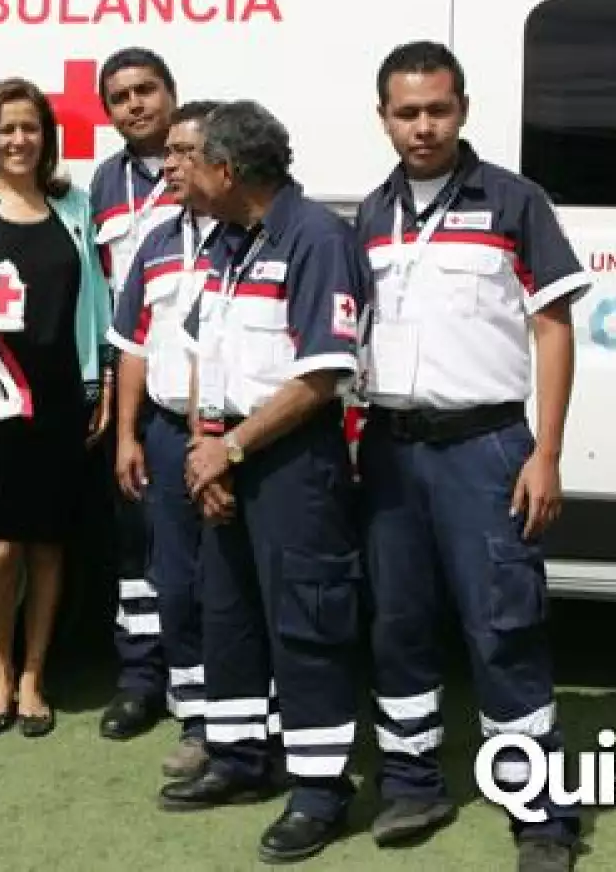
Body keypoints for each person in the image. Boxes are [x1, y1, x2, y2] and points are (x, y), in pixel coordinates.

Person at [353, 41, 589, 872]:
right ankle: (412, 783)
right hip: (390, 450)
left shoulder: (513, 201)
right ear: (383, 118)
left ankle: (540, 813)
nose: (423, 126)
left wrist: (546, 452)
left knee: (504, 626)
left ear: (463, 109)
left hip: (485, 449)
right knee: (397, 623)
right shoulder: (370, 214)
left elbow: (553, 327)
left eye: (438, 109)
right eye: (407, 112)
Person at [156, 100, 367, 865]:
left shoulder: (316, 238)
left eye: (192, 158)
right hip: (228, 454)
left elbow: (322, 374)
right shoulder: (225, 241)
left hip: (291, 462)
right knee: (229, 614)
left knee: (307, 624)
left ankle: (319, 791)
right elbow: (202, 353)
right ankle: (240, 759)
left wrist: (233, 449)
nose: (177, 170)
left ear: (227, 170)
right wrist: (204, 446)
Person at [0, 77, 114, 737]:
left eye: (30, 127)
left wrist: (102, 379)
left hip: (60, 394)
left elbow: (97, 301)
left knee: (47, 543)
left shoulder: (75, 206)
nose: (18, 139)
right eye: (6, 128)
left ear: (46, 136)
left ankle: (34, 675)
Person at [105, 99, 241, 780]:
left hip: (234, 438)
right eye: (170, 154)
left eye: (188, 152)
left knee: (234, 584)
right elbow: (132, 344)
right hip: (162, 432)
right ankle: (197, 719)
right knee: (177, 583)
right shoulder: (157, 242)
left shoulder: (250, 238)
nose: (173, 165)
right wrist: (127, 434)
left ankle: (248, 717)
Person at [87, 47, 186, 744]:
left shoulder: (204, 161)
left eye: (146, 90)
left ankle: (197, 678)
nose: (135, 105)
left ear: (171, 92)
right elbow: (100, 282)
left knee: (198, 542)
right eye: (119, 97)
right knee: (134, 544)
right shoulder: (105, 181)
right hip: (131, 381)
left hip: (196, 381)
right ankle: (140, 678)